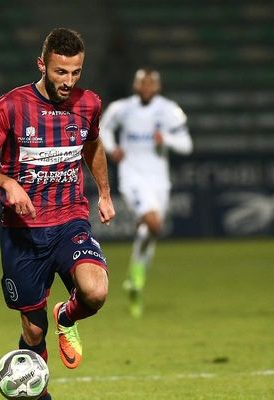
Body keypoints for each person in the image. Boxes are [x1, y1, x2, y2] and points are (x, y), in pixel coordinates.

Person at [0, 28, 115, 399]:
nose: (68, 81)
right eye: (60, 72)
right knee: (33, 333)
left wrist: (105, 193)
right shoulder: (10, 106)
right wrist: (8, 183)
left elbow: (92, 145)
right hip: (24, 232)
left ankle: (67, 315)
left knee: (95, 292)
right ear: (42, 65)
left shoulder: (89, 104)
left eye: (76, 72)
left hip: (69, 219)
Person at [99, 68, 192, 318]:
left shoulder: (168, 110)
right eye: (143, 82)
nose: (147, 87)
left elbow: (186, 145)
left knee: (149, 231)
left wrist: (167, 140)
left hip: (159, 181)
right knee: (153, 223)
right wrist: (112, 148)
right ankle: (135, 278)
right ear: (135, 85)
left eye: (151, 83)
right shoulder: (121, 108)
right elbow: (102, 129)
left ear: (158, 87)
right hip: (132, 178)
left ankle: (135, 282)